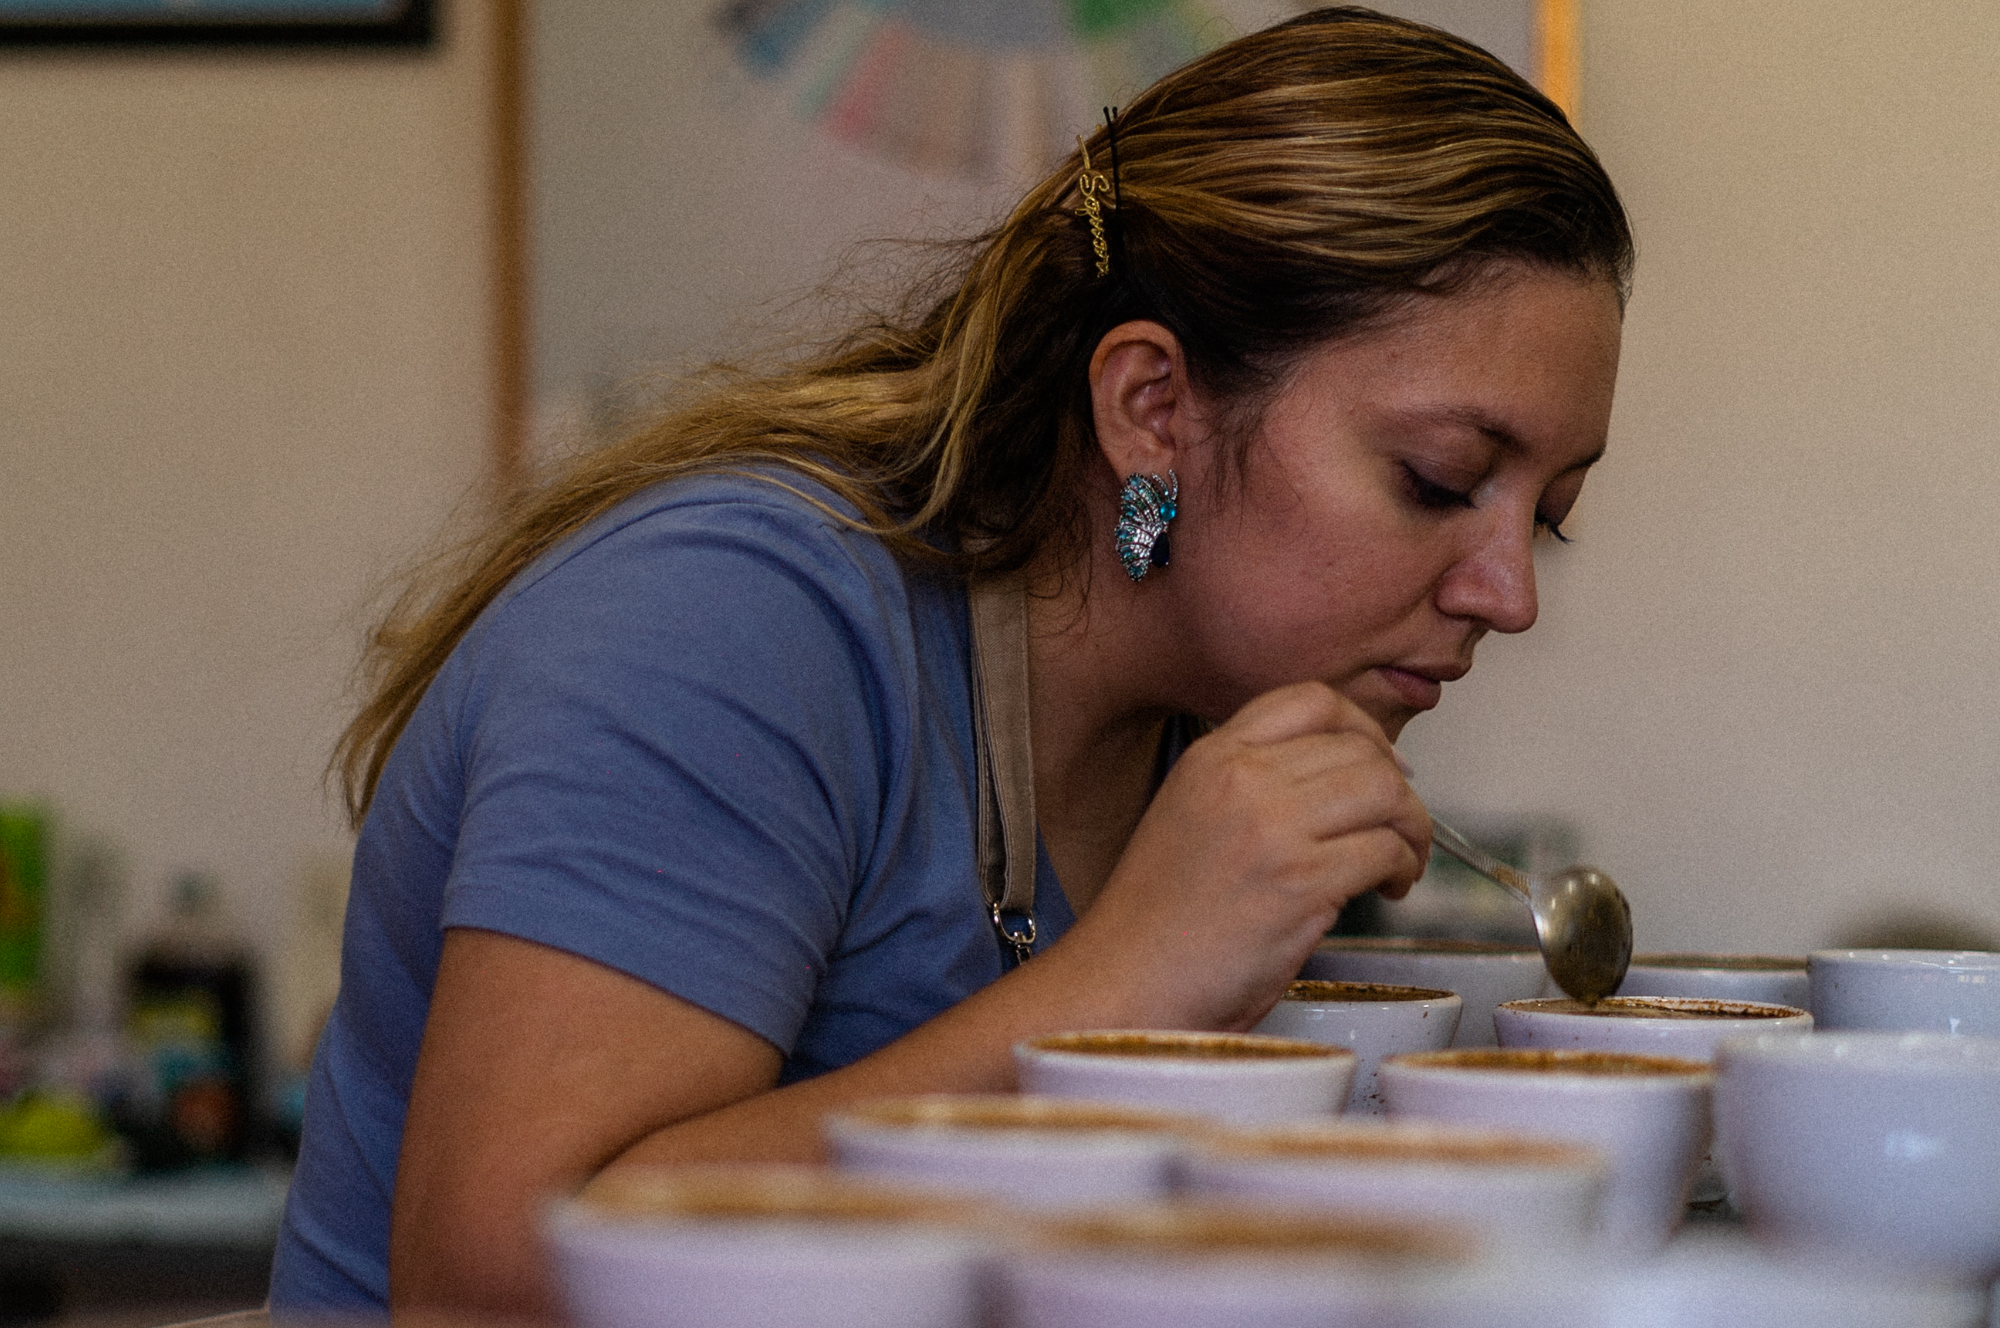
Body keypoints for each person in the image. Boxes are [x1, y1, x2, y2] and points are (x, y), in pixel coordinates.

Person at [269, 6, 1632, 1318]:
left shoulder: (1206, 723)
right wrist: (1125, 994)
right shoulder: (721, 619)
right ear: (1151, 408)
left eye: (1552, 515)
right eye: (1440, 480)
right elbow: (486, 1282)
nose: (1506, 592)